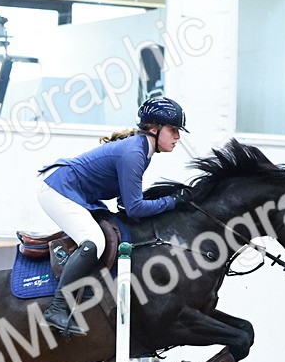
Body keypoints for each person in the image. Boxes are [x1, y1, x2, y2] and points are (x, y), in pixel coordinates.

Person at [37, 96, 192, 335]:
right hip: (58, 188)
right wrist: (172, 202)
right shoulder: (135, 153)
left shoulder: (142, 150)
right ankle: (57, 308)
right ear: (154, 128)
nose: (178, 137)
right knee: (94, 242)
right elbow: (134, 208)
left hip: (72, 190)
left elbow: (125, 203)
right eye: (173, 130)